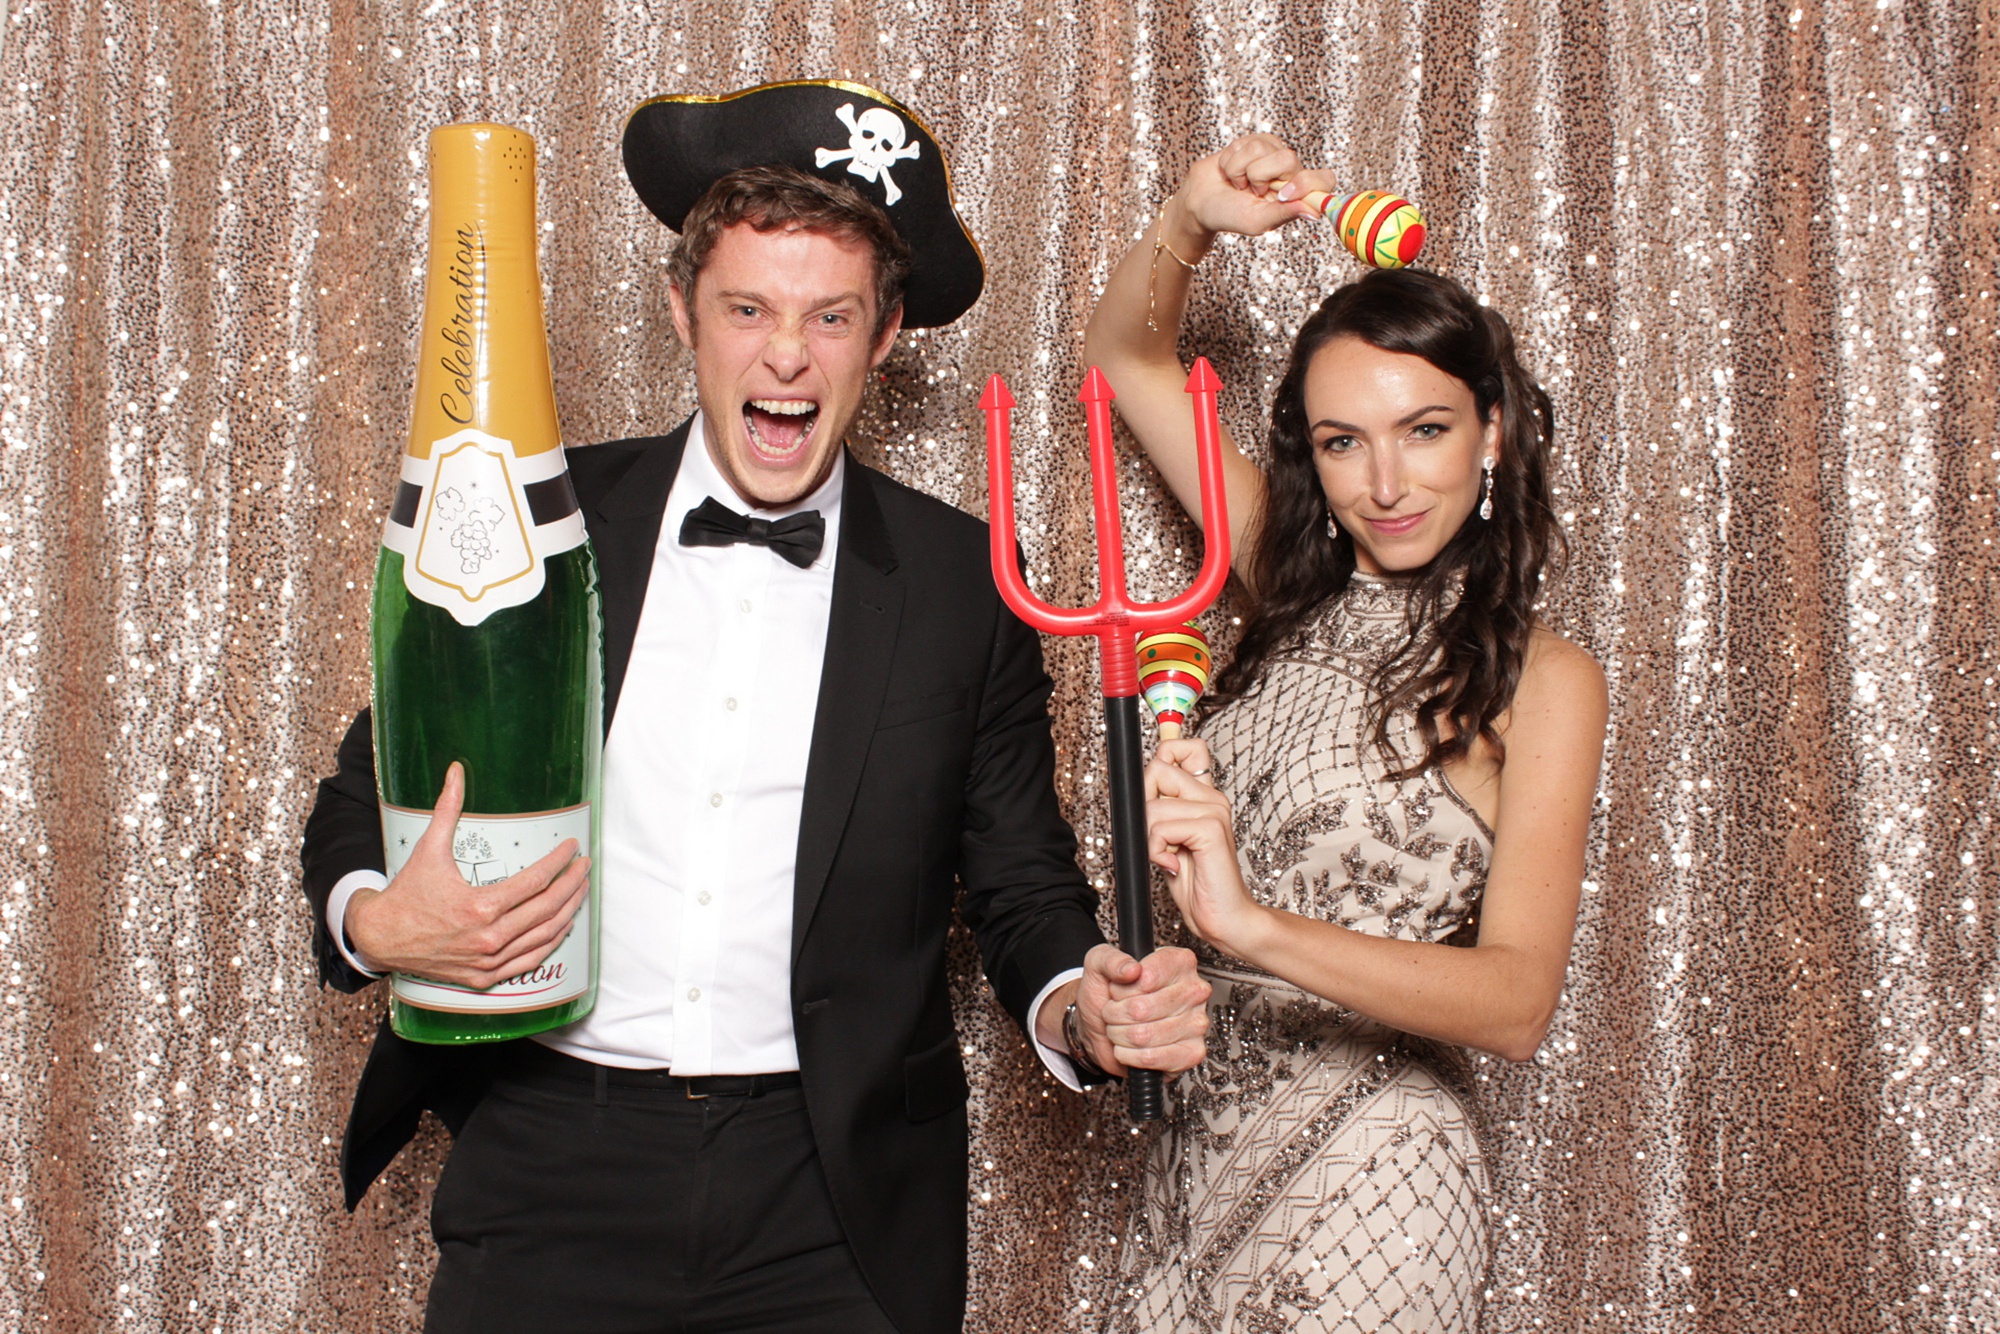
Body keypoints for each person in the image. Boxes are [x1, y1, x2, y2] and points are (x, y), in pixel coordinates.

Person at [300, 82, 1210, 1334]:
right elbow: (363, 799)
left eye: (829, 316)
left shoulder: (963, 582)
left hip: (829, 1200)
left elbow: (1019, 886)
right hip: (553, 1157)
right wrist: (379, 918)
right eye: (748, 308)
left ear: (882, 338)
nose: (786, 354)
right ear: (685, 311)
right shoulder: (544, 520)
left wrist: (1081, 998)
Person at [1079, 134, 1609, 1332]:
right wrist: (1191, 214)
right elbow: (1121, 354)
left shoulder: (1540, 677)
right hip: (1191, 1165)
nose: (1383, 481)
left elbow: (1516, 1001)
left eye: (1422, 429)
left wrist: (1246, 927)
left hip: (1376, 1173)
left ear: (1494, 434)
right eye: (1339, 442)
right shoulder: (1284, 583)